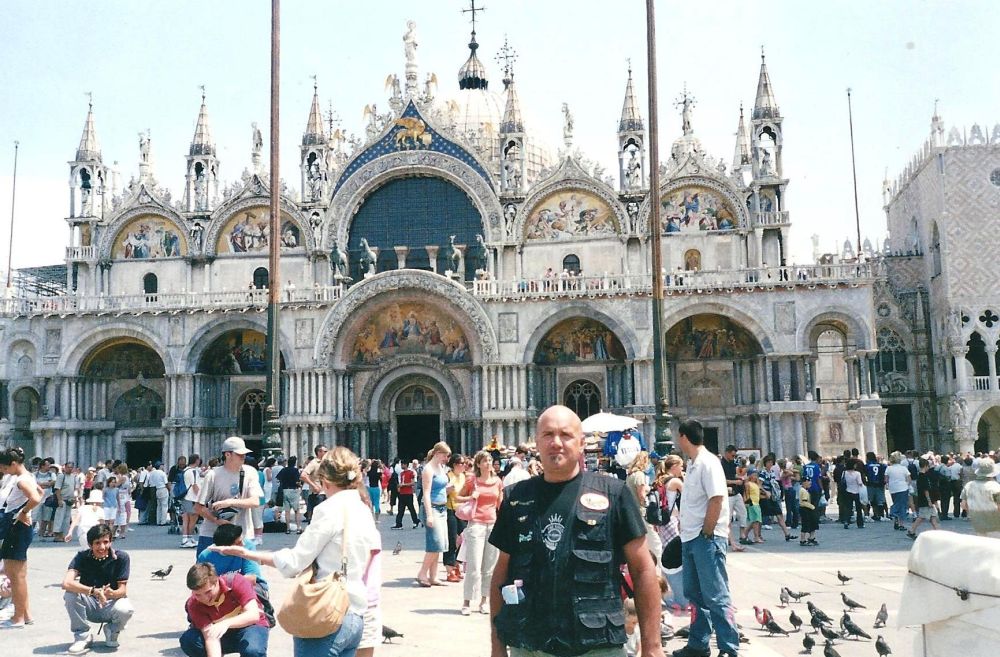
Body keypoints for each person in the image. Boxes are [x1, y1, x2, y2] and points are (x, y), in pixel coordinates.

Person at [489, 405, 662, 657]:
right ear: (537, 442)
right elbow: (501, 573)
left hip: (596, 646)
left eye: (566, 435)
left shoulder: (614, 493)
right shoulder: (516, 498)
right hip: (529, 645)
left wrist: (652, 646)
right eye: (548, 434)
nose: (556, 443)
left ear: (582, 443)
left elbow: (643, 569)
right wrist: (497, 646)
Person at [211, 446, 380, 657]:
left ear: (326, 481)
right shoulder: (363, 508)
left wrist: (245, 553)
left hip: (328, 613)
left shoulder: (328, 510)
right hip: (355, 616)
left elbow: (294, 562)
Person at [673, 419, 740, 657]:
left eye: (678, 436)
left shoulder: (708, 462)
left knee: (716, 594)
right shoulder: (692, 464)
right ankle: (699, 644)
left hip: (706, 539)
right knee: (694, 593)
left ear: (684, 437)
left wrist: (707, 532)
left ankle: (729, 647)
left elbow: (716, 498)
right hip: (690, 537)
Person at [62, 525, 133, 654]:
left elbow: (123, 590)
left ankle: (112, 630)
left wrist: (112, 593)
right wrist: (93, 591)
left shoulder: (121, 557)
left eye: (106, 542)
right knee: (70, 594)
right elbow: (66, 583)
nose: (102, 547)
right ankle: (82, 636)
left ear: (111, 542)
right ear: (90, 545)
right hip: (89, 603)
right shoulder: (81, 557)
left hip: (110, 603)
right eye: (97, 543)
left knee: (126, 609)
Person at [181, 563, 268, 657]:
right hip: (223, 635)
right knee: (189, 640)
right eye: (198, 594)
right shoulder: (194, 604)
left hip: (250, 627)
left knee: (252, 650)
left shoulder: (235, 581)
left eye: (208, 592)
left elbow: (253, 615)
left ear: (217, 582)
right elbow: (210, 638)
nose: (205, 598)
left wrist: (226, 623)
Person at [194, 437, 263, 555]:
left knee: (247, 566)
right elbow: (198, 507)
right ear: (227, 454)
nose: (243, 457)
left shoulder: (250, 472)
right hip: (213, 534)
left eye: (244, 454)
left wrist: (229, 502)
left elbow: (256, 501)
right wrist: (217, 520)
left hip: (242, 534)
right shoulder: (213, 475)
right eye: (239, 454)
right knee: (207, 566)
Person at [0, 446, 42, 629]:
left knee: (15, 575)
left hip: (16, 527)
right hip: (18, 527)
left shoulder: (21, 480)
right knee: (18, 574)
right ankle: (25, 614)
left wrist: (23, 512)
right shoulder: (26, 476)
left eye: (5, 467)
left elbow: (36, 498)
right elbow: (40, 492)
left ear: (13, 464)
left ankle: (17, 618)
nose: (3, 471)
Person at [458, 450, 502, 615]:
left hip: (492, 524)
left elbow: (500, 504)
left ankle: (484, 601)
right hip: (476, 524)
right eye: (485, 461)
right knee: (474, 566)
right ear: (478, 464)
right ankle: (467, 601)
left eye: (490, 460)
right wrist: (471, 497)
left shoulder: (498, 482)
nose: (488, 463)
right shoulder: (472, 480)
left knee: (489, 567)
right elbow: (457, 497)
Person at [416, 442, 452, 587]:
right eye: (445, 455)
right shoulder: (428, 469)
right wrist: (429, 515)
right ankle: (422, 573)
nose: (446, 459)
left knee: (441, 544)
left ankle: (433, 576)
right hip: (433, 508)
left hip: (443, 508)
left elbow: (441, 487)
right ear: (437, 454)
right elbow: (426, 493)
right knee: (435, 542)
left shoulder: (441, 467)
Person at [198, 524, 266, 586]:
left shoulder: (248, 545)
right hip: (220, 590)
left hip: (247, 586)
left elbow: (252, 579)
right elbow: (201, 583)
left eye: (242, 539)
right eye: (239, 543)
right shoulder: (206, 556)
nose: (243, 544)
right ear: (225, 547)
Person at [443, 454, 468, 583]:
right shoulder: (448, 476)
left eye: (464, 463)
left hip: (463, 511)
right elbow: (440, 493)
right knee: (452, 539)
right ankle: (450, 569)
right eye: (461, 463)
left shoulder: (464, 477)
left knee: (464, 539)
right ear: (454, 465)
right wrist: (447, 490)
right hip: (450, 510)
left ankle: (457, 563)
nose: (464, 466)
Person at [960, 458, 1000, 537]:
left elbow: (963, 505)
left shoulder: (969, 486)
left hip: (978, 525)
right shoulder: (996, 487)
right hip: (996, 525)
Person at [720, 446, 747, 551]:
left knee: (743, 513)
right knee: (728, 518)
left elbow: (732, 475)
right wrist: (735, 481)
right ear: (727, 453)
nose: (733, 457)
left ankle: (742, 535)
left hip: (736, 492)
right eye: (732, 455)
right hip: (728, 494)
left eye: (735, 455)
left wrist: (739, 478)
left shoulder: (733, 463)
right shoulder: (721, 464)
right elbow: (722, 479)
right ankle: (729, 539)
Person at [908, 457, 940, 539]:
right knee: (921, 517)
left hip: (925, 499)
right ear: (925, 466)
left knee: (933, 517)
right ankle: (911, 530)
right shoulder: (923, 477)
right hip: (925, 500)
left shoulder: (920, 476)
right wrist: (929, 500)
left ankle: (938, 532)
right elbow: (926, 490)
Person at [300, 444, 329, 523]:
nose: (327, 453)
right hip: (318, 494)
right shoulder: (314, 463)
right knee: (318, 519)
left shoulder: (326, 463)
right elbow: (303, 475)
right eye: (325, 451)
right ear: (319, 452)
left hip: (326, 493)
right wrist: (313, 485)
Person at [275, 455, 302, 533]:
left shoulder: (284, 470)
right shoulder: (295, 470)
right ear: (295, 463)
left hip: (285, 490)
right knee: (296, 510)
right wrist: (300, 485)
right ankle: (298, 528)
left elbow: (277, 479)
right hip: (293, 490)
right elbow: (297, 481)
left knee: (287, 511)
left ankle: (288, 529)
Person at [885, 452, 911, 531]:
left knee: (896, 502)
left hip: (893, 489)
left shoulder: (889, 468)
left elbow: (886, 479)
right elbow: (909, 479)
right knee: (902, 506)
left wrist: (888, 485)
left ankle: (896, 520)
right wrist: (907, 485)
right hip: (903, 488)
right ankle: (900, 523)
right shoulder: (903, 468)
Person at [181, 455, 203, 548]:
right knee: (193, 519)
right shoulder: (193, 471)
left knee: (186, 519)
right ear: (196, 460)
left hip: (185, 497)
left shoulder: (185, 470)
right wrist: (201, 498)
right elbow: (195, 486)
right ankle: (189, 538)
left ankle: (185, 538)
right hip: (192, 498)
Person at [392, 460, 419, 529]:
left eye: (402, 464)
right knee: (400, 509)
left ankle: (415, 521)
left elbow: (412, 483)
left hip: (408, 493)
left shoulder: (411, 473)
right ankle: (398, 523)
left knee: (411, 508)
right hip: (402, 493)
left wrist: (404, 485)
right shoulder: (401, 473)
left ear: (406, 465)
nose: (401, 466)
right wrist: (399, 487)